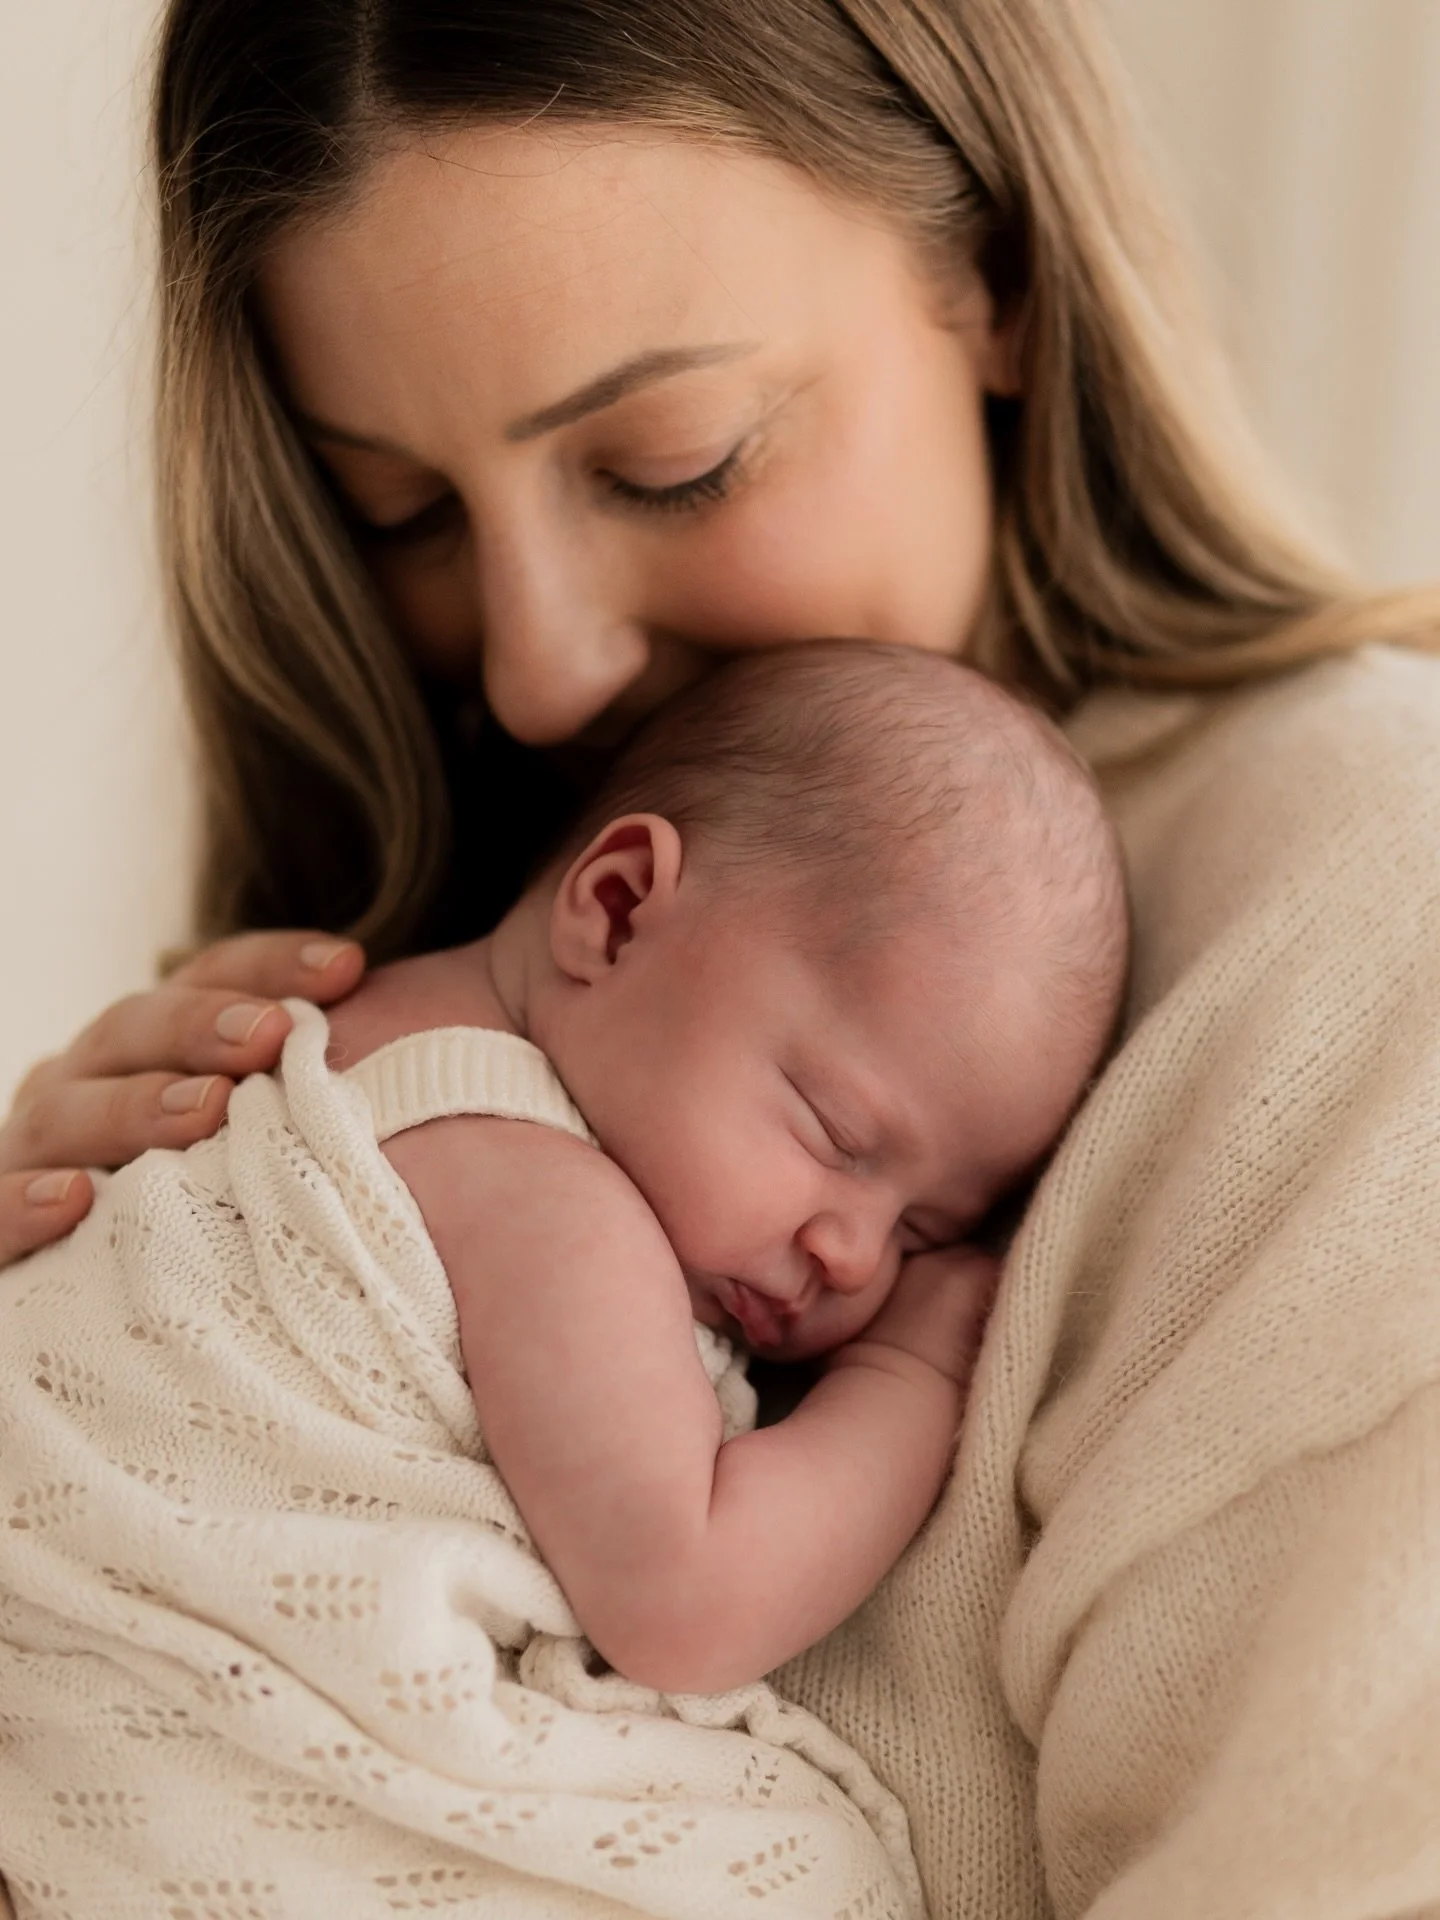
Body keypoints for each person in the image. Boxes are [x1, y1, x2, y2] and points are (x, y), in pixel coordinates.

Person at [2, 2, 1439, 1916]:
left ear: (995, 269)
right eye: (403, 517)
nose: (537, 672)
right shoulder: (438, 975)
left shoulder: (1369, 908)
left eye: (673, 461)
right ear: (617, 903)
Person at [0, 643, 1125, 1914]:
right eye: (833, 1133)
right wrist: (908, 1368)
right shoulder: (538, 1189)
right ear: (621, 908)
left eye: (927, 1229)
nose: (854, 1256)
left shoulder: (374, 1031)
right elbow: (686, 1598)